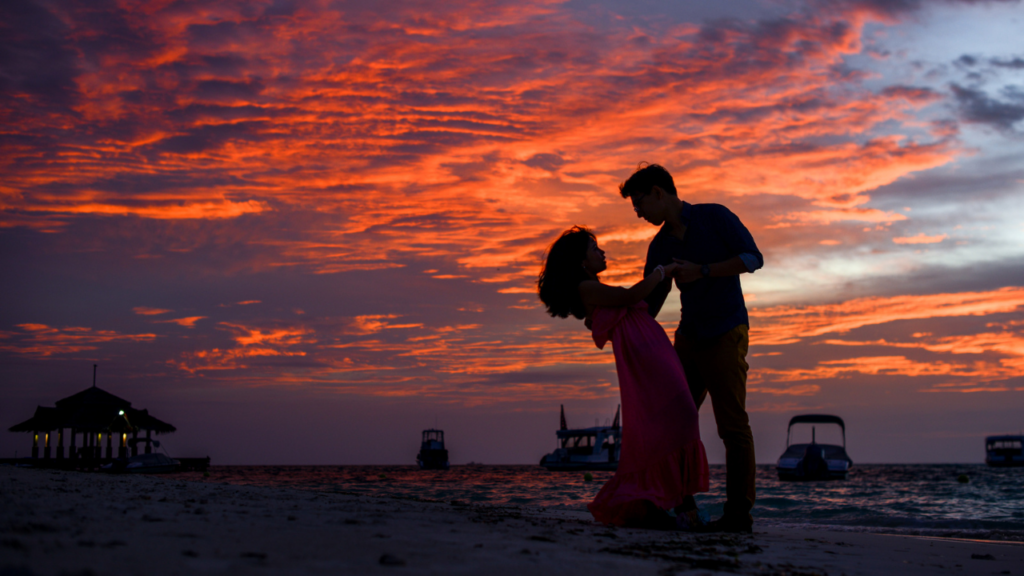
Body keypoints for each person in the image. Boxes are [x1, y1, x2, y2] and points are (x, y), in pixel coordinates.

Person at [619, 163, 763, 534]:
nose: (638, 212)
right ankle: (681, 508)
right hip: (687, 339)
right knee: (671, 421)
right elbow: (651, 301)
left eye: (639, 203)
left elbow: (752, 259)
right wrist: (617, 323)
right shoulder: (660, 245)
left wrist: (702, 270)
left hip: (727, 331)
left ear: (658, 192)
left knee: (732, 426)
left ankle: (738, 515)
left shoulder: (714, 217)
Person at [538, 226, 709, 529]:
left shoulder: (593, 288)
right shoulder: (585, 288)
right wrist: (663, 270)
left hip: (652, 351)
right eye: (594, 249)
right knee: (680, 417)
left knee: (677, 418)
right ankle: (679, 506)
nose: (601, 252)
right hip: (645, 359)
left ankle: (666, 503)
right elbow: (632, 295)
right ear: (581, 261)